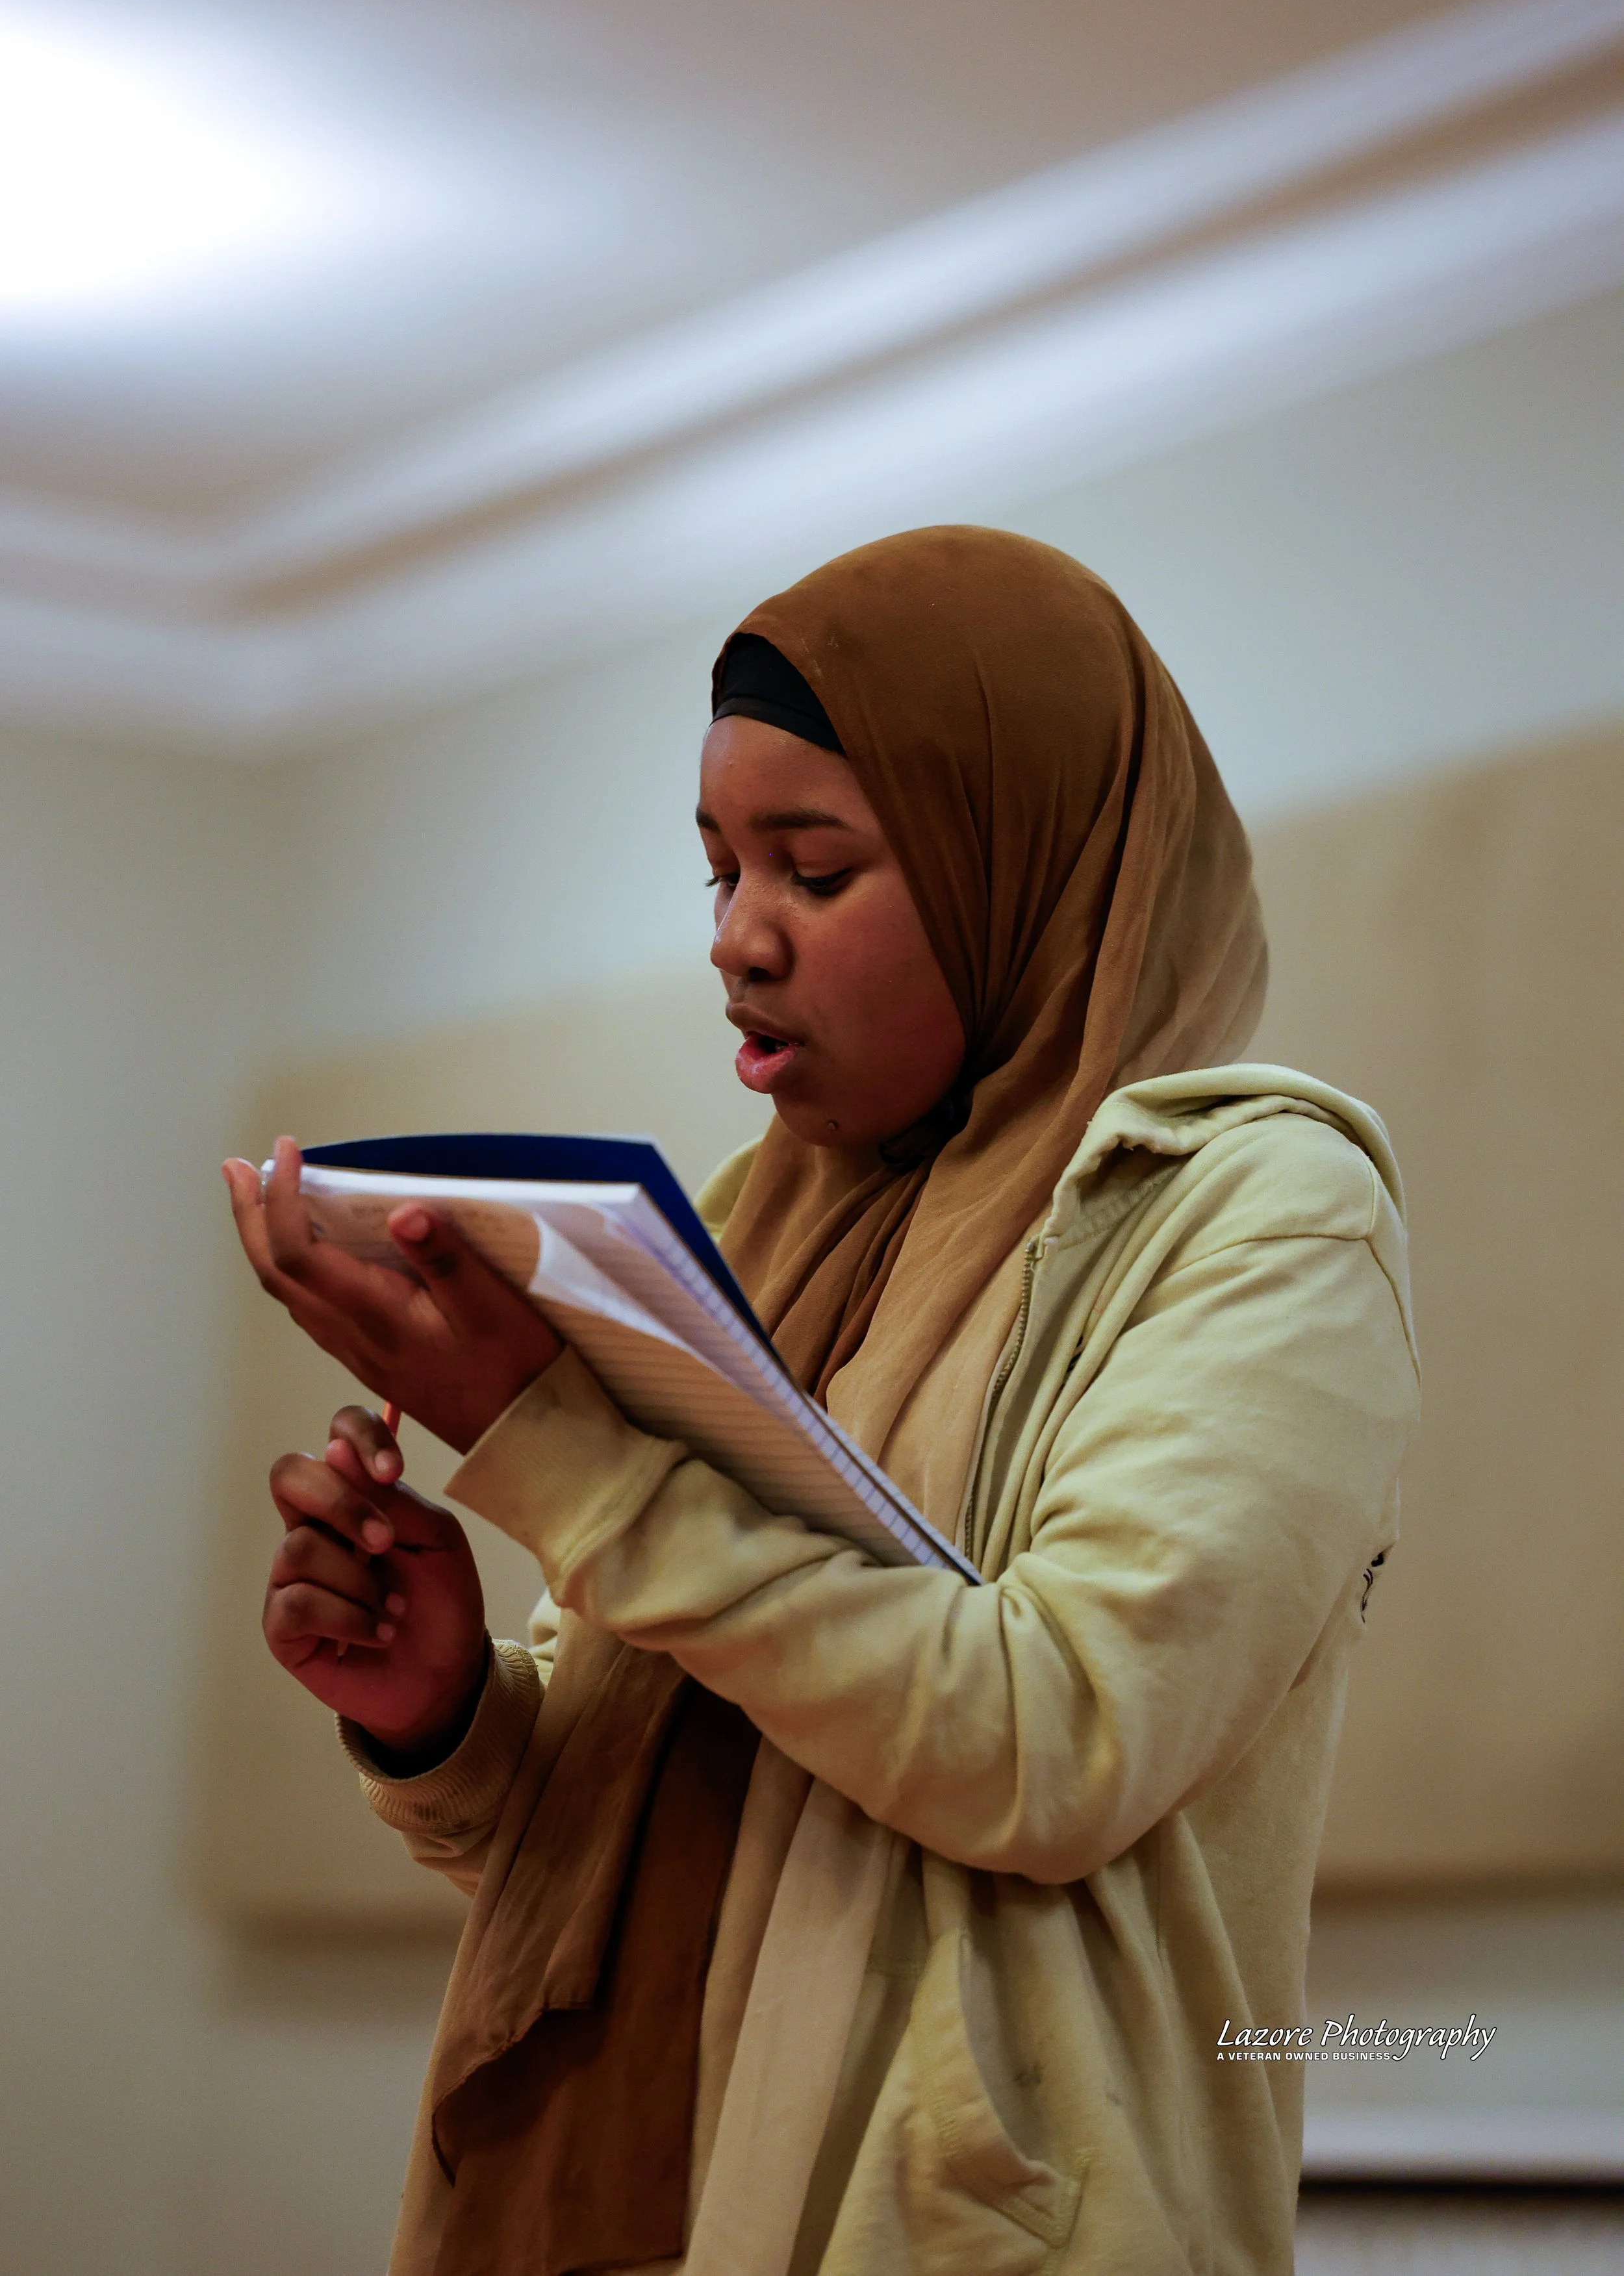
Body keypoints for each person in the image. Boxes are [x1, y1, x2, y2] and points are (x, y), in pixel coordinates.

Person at [225, 525, 1418, 2276]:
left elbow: (1049, 1740)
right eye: (718, 873)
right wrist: (446, 1708)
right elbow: (666, 1824)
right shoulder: (757, 1218)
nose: (740, 943)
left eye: (815, 868)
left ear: (1012, 859)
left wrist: (552, 1448)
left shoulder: (1258, 1210)